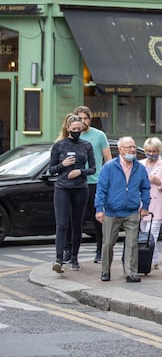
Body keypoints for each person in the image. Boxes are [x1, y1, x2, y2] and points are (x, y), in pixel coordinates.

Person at [94, 136, 150, 283]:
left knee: (132, 243)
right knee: (108, 244)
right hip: (112, 211)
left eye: (133, 147)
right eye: (128, 147)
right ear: (120, 150)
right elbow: (101, 190)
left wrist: (145, 207)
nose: (132, 150)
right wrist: (99, 209)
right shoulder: (109, 167)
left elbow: (145, 188)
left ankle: (131, 273)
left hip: (131, 211)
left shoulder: (140, 168)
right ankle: (105, 271)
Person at [48, 113, 96, 273]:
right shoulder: (59, 145)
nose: (76, 131)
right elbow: (51, 170)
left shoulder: (86, 145)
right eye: (74, 129)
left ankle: (74, 257)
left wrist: (80, 172)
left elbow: (93, 169)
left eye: (79, 129)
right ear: (68, 128)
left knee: (77, 225)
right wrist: (63, 164)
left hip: (80, 189)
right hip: (62, 188)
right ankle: (59, 259)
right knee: (62, 225)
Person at [73, 106, 112, 264]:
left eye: (85, 118)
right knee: (76, 219)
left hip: (95, 182)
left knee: (98, 218)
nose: (82, 121)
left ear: (90, 119)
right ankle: (72, 253)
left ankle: (99, 249)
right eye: (79, 118)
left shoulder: (99, 135)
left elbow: (108, 159)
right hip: (76, 182)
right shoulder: (71, 135)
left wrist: (109, 180)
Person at [140, 137, 162, 270]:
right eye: (148, 150)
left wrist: (158, 181)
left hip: (158, 204)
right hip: (142, 204)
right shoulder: (140, 164)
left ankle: (149, 261)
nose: (151, 153)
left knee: (151, 234)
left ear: (159, 151)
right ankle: (153, 260)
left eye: (154, 151)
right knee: (144, 235)